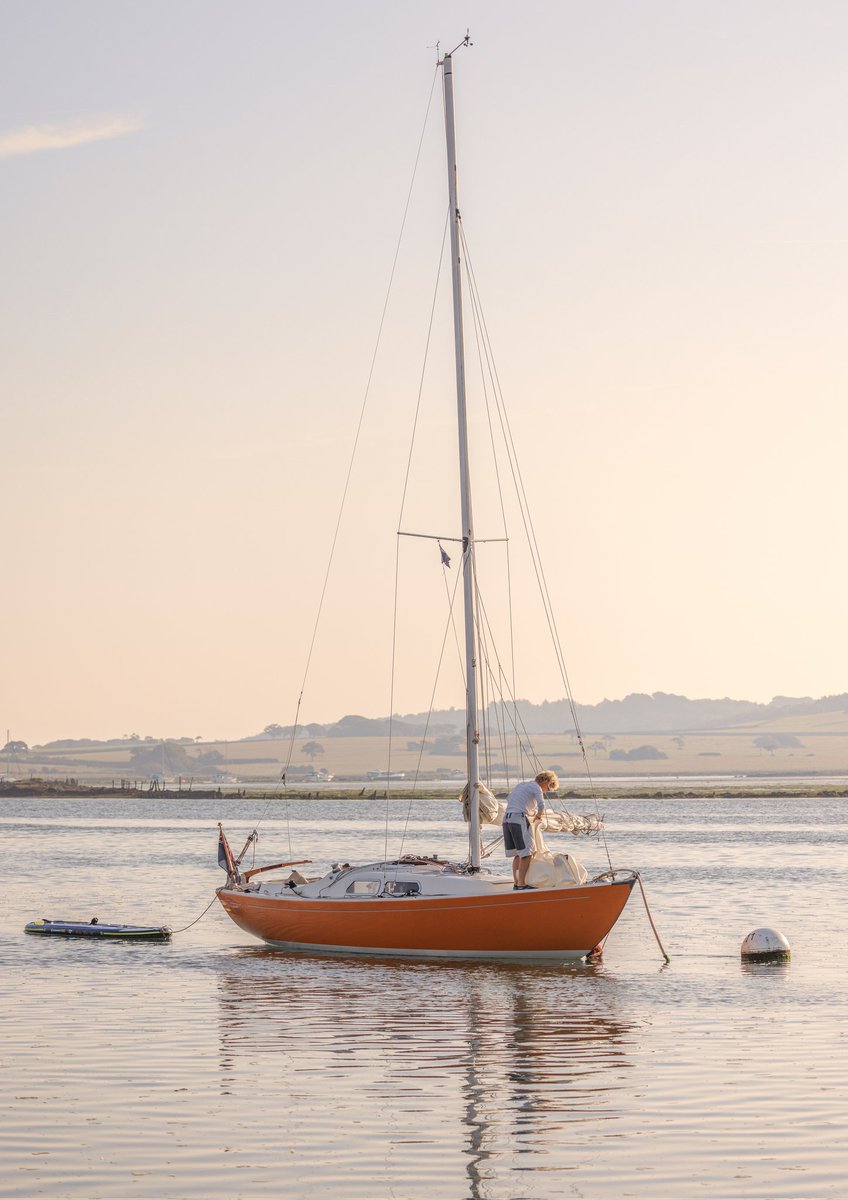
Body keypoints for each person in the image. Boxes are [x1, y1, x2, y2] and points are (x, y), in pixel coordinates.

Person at [502, 770, 558, 889]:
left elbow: (509, 799)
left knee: (517, 853)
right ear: (545, 782)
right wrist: (538, 816)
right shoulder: (536, 787)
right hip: (518, 819)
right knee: (527, 854)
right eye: (548, 788)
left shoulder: (521, 785)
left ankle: (516, 883)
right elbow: (542, 805)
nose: (546, 791)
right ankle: (522, 884)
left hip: (506, 820)